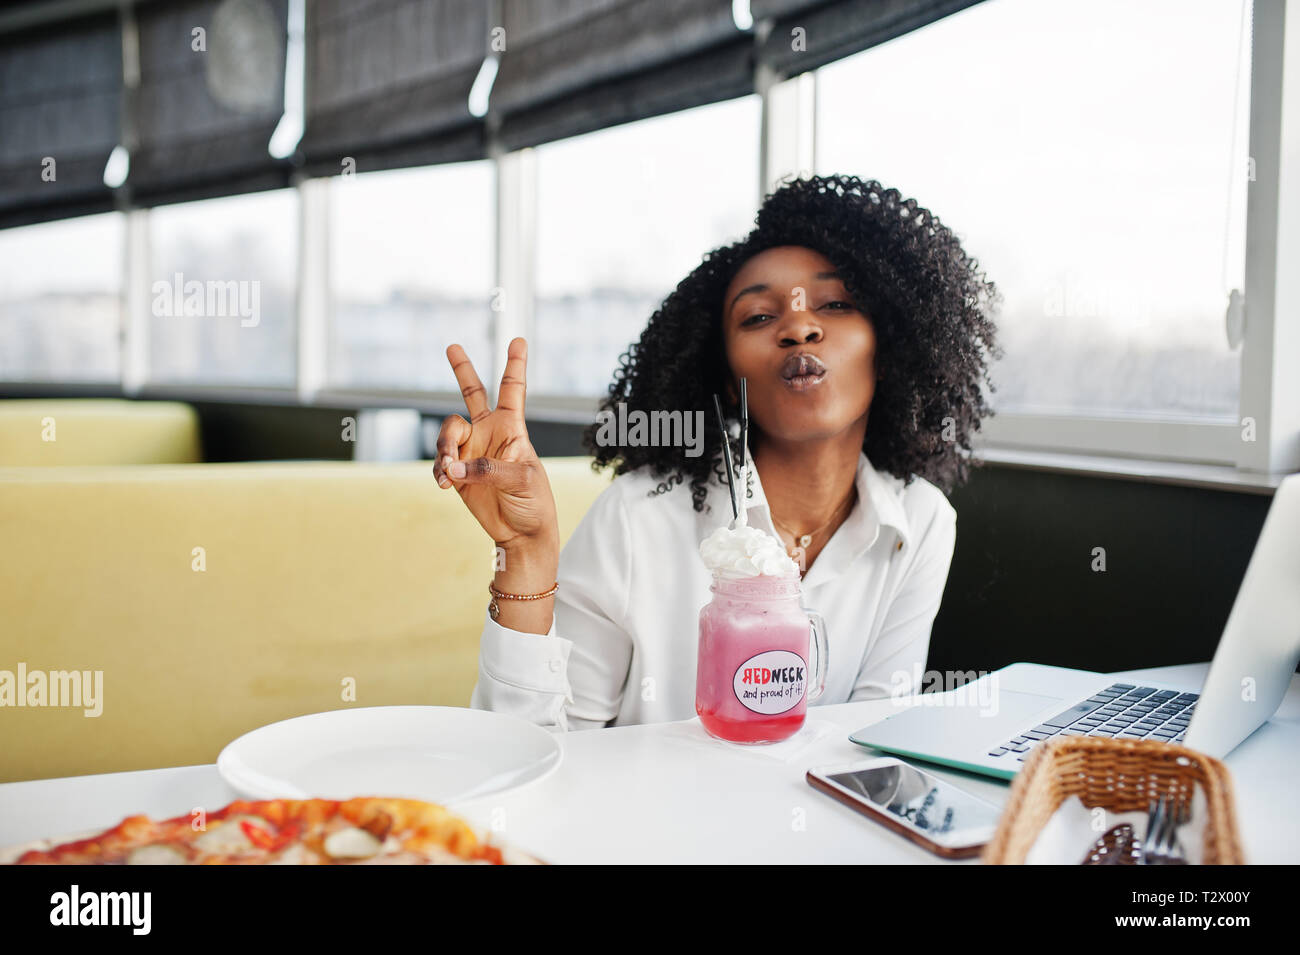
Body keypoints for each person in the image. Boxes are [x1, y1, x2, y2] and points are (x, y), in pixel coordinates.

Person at [432, 174, 1000, 732]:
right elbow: (532, 754)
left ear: (890, 346)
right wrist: (526, 553)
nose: (799, 326)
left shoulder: (921, 522)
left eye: (833, 305)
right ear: (728, 381)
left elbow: (877, 739)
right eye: (758, 317)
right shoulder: (637, 518)